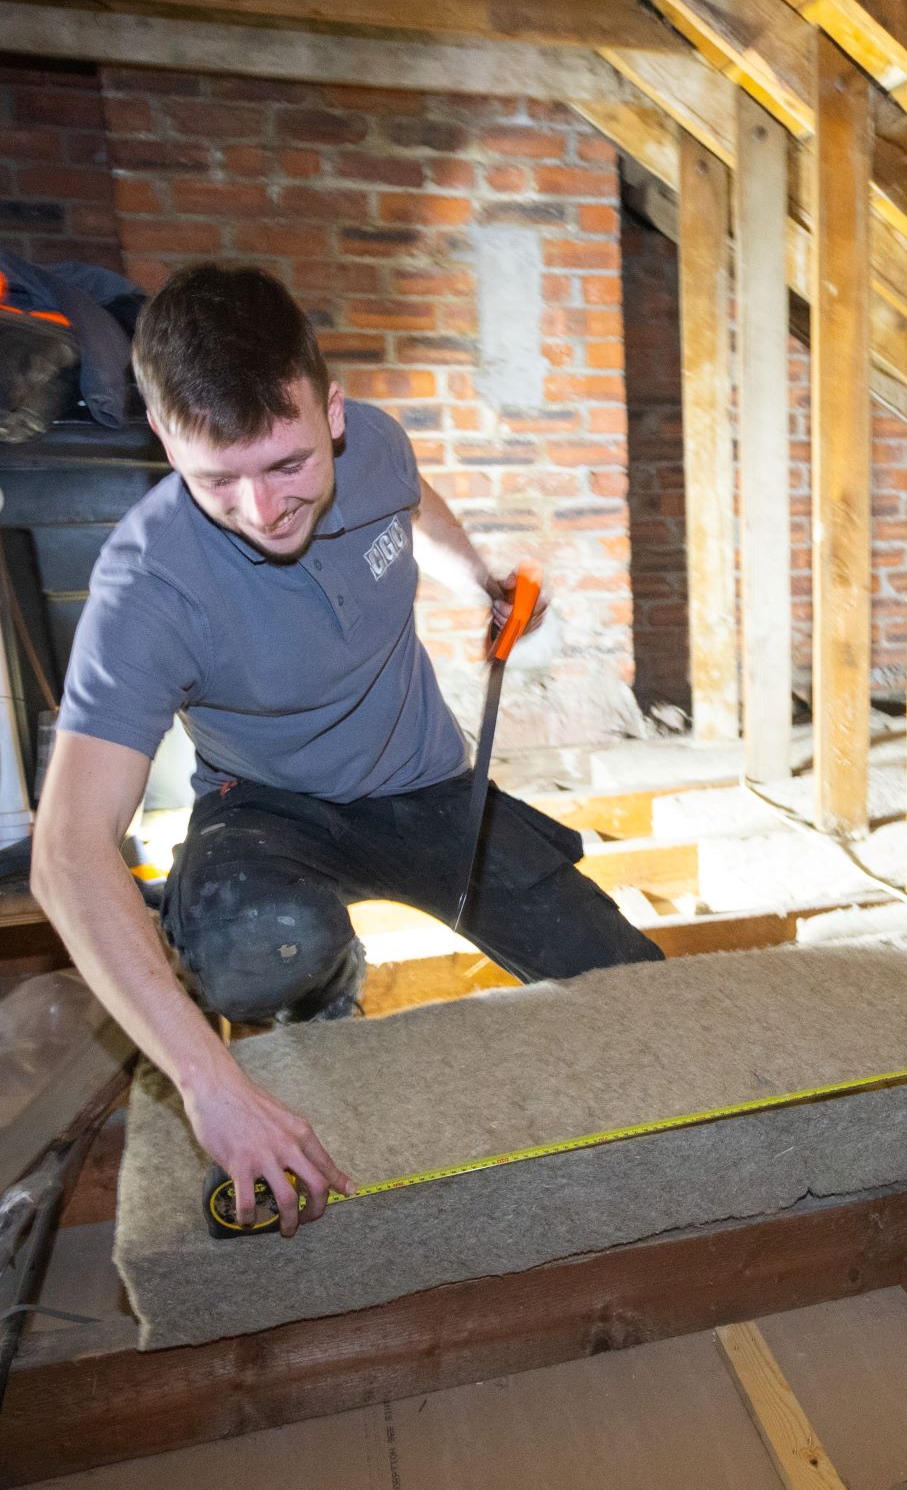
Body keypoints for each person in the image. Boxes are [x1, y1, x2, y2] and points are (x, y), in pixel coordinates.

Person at [31, 264, 662, 1237]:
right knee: (257, 946)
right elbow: (67, 854)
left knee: (636, 986)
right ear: (164, 440)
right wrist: (207, 1081)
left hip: (426, 780)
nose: (260, 508)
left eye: (286, 465)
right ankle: (315, 1002)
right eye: (216, 479)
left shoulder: (373, 445)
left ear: (330, 413)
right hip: (267, 805)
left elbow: (408, 502)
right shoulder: (146, 589)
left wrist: (477, 581)